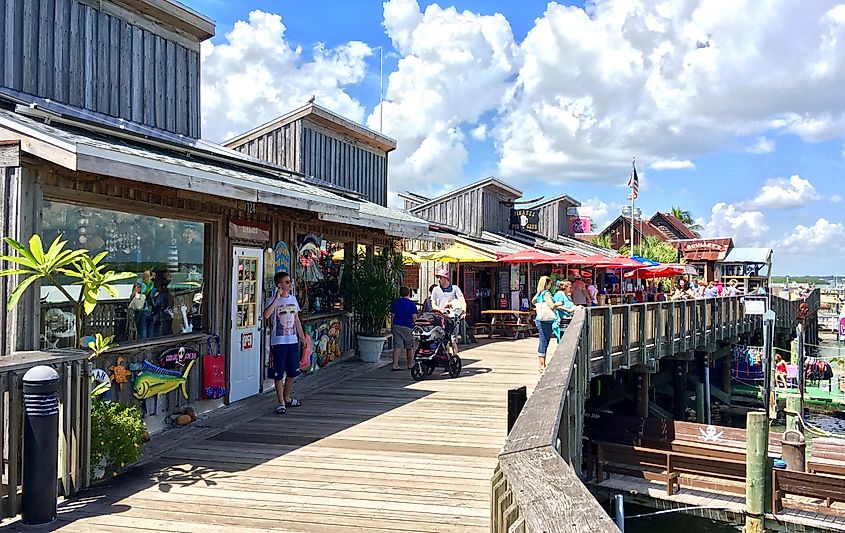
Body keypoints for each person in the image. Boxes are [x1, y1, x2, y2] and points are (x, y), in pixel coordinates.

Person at [263, 271, 306, 415]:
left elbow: (297, 320)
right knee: (278, 373)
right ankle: (281, 402)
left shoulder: (293, 299)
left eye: (290, 282)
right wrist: (276, 298)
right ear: (279, 285)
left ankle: (287, 397)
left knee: (293, 372)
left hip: (292, 340)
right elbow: (266, 315)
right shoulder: (271, 300)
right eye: (287, 282)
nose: (290, 284)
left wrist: (302, 338)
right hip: (278, 341)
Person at [430, 270, 465, 357]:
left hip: (452, 317)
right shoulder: (436, 289)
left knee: (452, 340)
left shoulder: (455, 288)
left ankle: (454, 357)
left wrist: (463, 310)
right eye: (438, 277)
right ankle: (445, 356)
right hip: (440, 317)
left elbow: (462, 300)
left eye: (440, 277)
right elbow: (433, 303)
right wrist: (438, 309)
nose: (438, 279)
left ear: (446, 278)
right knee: (441, 339)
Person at [390, 286, 418, 371]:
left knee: (397, 346)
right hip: (407, 326)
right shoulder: (411, 304)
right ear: (409, 293)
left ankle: (395, 365)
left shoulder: (396, 302)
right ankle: (410, 364)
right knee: (409, 346)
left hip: (397, 325)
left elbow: (393, 315)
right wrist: (415, 324)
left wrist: (392, 324)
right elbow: (414, 317)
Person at [534, 276, 556, 373]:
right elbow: (552, 305)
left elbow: (533, 301)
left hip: (540, 319)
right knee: (544, 342)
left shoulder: (539, 293)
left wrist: (539, 305)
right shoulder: (546, 293)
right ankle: (541, 365)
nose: (551, 285)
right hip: (545, 320)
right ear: (546, 284)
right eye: (550, 283)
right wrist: (559, 304)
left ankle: (542, 363)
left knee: (543, 341)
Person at [130, 270, 155, 339]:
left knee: (143, 335)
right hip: (150, 310)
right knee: (150, 335)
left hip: (142, 311)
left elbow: (132, 296)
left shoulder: (140, 285)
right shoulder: (152, 285)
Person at [150, 270, 174, 337]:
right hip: (162, 317)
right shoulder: (160, 291)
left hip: (163, 317)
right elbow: (157, 304)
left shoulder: (163, 290)